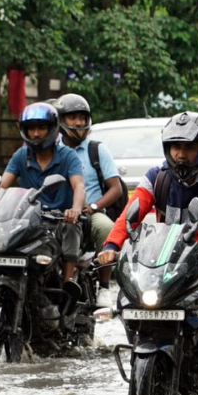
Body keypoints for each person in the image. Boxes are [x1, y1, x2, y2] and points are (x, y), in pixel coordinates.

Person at [96, 112, 198, 395]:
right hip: (168, 270)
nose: (180, 154)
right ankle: (142, 351)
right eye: (174, 147)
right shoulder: (157, 179)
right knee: (128, 301)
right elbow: (130, 213)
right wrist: (112, 245)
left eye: (189, 147)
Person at [0, 102, 87, 283]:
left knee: (71, 227)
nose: (36, 134)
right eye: (31, 128)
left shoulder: (68, 156)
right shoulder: (20, 155)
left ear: (53, 128)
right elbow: (2, 187)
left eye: (41, 128)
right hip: (28, 218)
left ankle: (67, 281)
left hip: (59, 220)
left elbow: (78, 186)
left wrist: (75, 210)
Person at [55, 92, 123, 287]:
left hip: (89, 214)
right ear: (61, 120)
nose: (78, 122)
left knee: (107, 229)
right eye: (72, 117)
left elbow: (116, 188)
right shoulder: (53, 150)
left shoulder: (97, 149)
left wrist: (93, 206)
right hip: (56, 213)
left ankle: (103, 285)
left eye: (82, 118)